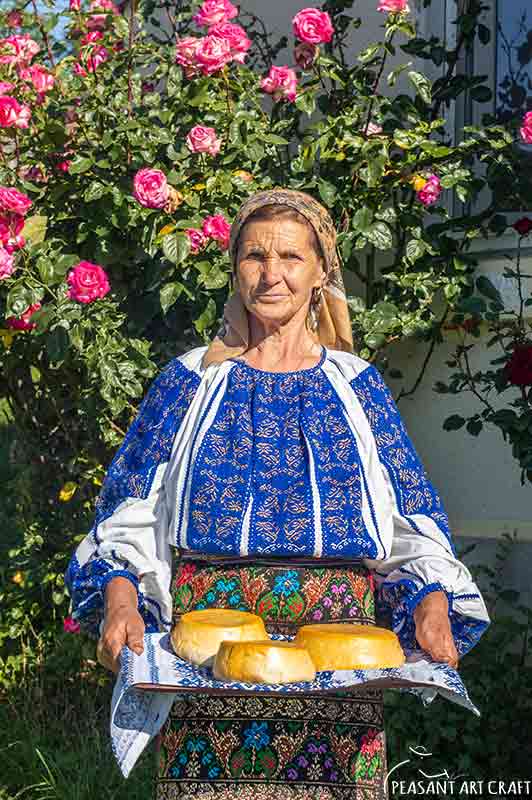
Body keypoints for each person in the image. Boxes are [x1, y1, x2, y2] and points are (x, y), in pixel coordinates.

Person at [65, 188, 490, 800]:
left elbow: (409, 515)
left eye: (291, 257)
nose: (271, 275)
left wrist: (430, 604)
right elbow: (131, 513)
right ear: (233, 265)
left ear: (321, 272)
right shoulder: (189, 382)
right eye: (254, 256)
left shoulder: (357, 388)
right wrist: (122, 599)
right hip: (206, 662)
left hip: (341, 667)